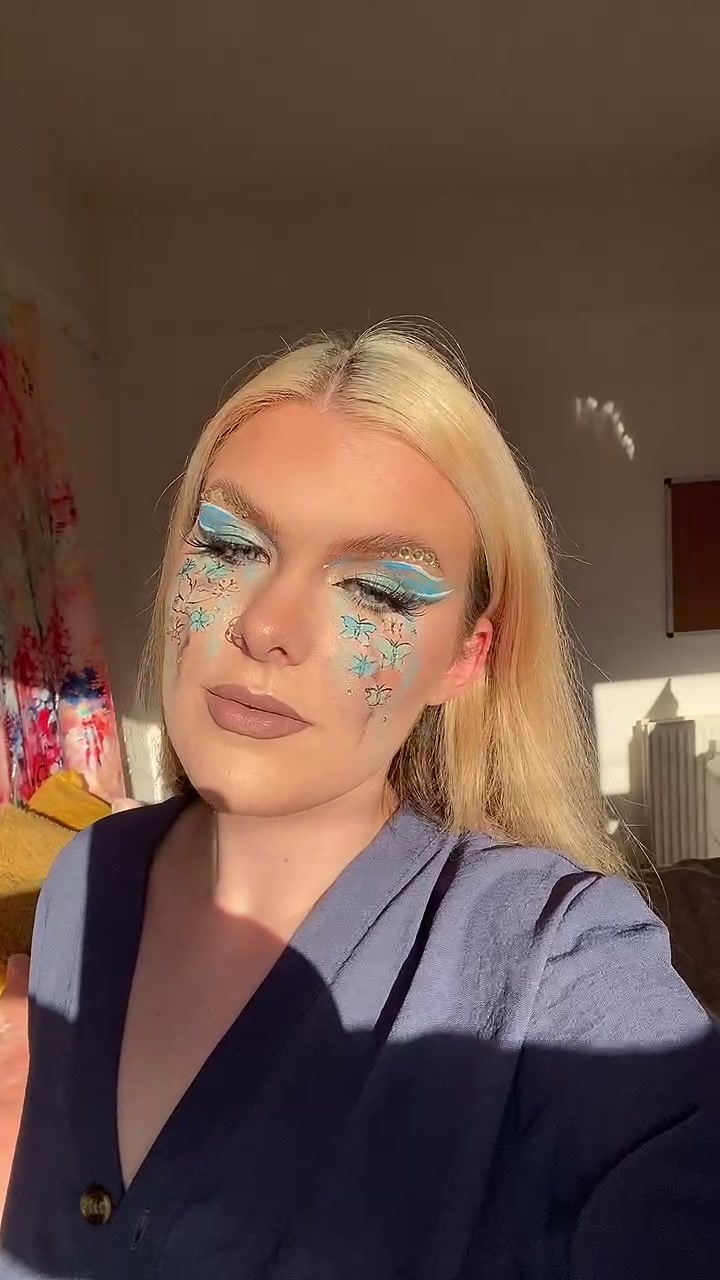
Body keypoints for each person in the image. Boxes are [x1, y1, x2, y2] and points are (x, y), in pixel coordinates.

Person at [1, 324, 718, 1278]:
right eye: (230, 543)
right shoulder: (86, 876)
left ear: (464, 658)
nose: (266, 624)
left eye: (375, 590)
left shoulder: (555, 957)